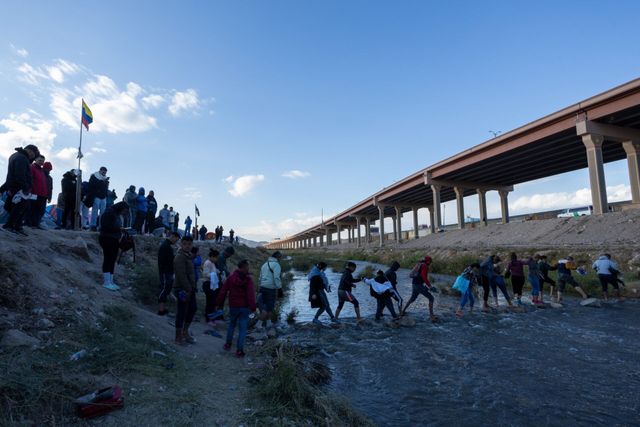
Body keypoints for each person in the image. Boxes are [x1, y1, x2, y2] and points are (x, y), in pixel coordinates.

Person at [216, 259, 256, 358]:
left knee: (231, 325)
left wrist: (218, 303)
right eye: (247, 267)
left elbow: (223, 291)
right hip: (244, 308)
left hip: (233, 306)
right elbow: (251, 295)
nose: (248, 269)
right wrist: (253, 307)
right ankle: (239, 351)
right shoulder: (248, 280)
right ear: (243, 267)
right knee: (242, 329)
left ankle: (227, 344)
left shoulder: (231, 278)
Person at [2, 144, 39, 235]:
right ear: (30, 151)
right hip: (19, 188)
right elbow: (20, 174)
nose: (33, 157)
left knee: (19, 207)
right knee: (20, 207)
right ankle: (10, 226)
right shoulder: (22, 158)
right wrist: (25, 187)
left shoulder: (17, 156)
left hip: (14, 186)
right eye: (34, 155)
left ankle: (17, 226)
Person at [98, 201, 128, 291]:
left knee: (112, 259)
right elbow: (105, 226)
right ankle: (106, 282)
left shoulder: (116, 214)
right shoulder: (109, 212)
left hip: (114, 239)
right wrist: (119, 228)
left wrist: (121, 229)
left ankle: (110, 281)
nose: (124, 213)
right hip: (107, 238)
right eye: (124, 211)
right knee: (108, 259)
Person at [174, 236, 197, 345]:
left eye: (189, 244)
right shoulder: (180, 257)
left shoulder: (188, 256)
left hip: (190, 288)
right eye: (185, 244)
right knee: (181, 312)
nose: (188, 246)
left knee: (192, 309)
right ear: (181, 244)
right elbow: (181, 275)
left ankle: (185, 332)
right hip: (182, 289)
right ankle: (178, 337)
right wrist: (188, 289)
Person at [401, 256, 438, 322]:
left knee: (412, 298)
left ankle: (403, 311)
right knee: (431, 298)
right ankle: (432, 316)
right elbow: (424, 277)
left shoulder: (419, 264)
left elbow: (413, 274)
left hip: (414, 284)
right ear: (428, 261)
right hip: (419, 285)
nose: (430, 263)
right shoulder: (425, 266)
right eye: (430, 262)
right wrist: (430, 286)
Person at [257, 251, 283, 329]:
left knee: (269, 307)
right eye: (280, 257)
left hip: (262, 287)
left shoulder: (264, 265)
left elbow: (260, 277)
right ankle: (258, 324)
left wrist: (261, 286)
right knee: (268, 307)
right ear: (277, 257)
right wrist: (280, 288)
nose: (281, 259)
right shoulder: (276, 265)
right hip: (270, 288)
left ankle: (269, 323)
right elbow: (276, 277)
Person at [157, 231, 180, 316]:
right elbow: (165, 261)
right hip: (165, 272)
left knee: (166, 289)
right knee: (164, 289)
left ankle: (163, 309)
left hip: (167, 271)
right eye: (176, 240)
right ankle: (161, 310)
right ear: (173, 237)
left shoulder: (167, 246)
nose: (175, 242)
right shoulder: (165, 246)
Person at [201, 249, 221, 324]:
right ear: (212, 256)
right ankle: (208, 318)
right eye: (216, 258)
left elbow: (214, 271)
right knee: (210, 302)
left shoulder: (212, 263)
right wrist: (214, 275)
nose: (217, 259)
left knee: (212, 301)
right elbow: (205, 274)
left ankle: (211, 317)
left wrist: (217, 271)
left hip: (212, 284)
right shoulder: (207, 263)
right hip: (207, 284)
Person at [28, 154, 47, 228]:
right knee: (32, 209)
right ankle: (30, 224)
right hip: (34, 193)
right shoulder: (32, 168)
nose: (41, 162)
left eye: (42, 161)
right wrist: (30, 191)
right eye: (40, 160)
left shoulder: (42, 171)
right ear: (35, 160)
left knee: (40, 210)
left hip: (42, 194)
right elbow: (30, 180)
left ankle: (36, 224)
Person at [88, 167, 109, 231]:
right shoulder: (94, 176)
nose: (104, 173)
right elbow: (91, 185)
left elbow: (106, 188)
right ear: (100, 171)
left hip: (103, 197)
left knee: (103, 213)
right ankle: (93, 225)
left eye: (105, 172)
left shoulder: (105, 179)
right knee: (95, 211)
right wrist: (101, 181)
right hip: (96, 196)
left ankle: (101, 226)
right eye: (103, 171)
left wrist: (106, 195)